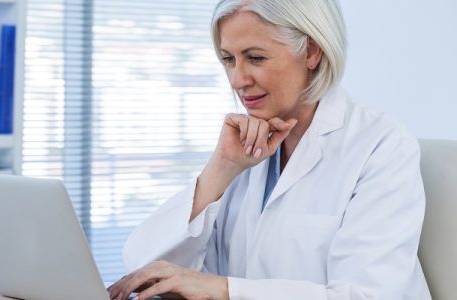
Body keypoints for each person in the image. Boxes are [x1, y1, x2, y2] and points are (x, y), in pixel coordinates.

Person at [107, 0, 432, 299]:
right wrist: (221, 168)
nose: (237, 79)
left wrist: (223, 289)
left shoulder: (380, 146)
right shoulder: (243, 148)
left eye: (255, 58)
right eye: (228, 60)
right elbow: (144, 268)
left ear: (311, 51)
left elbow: (366, 295)